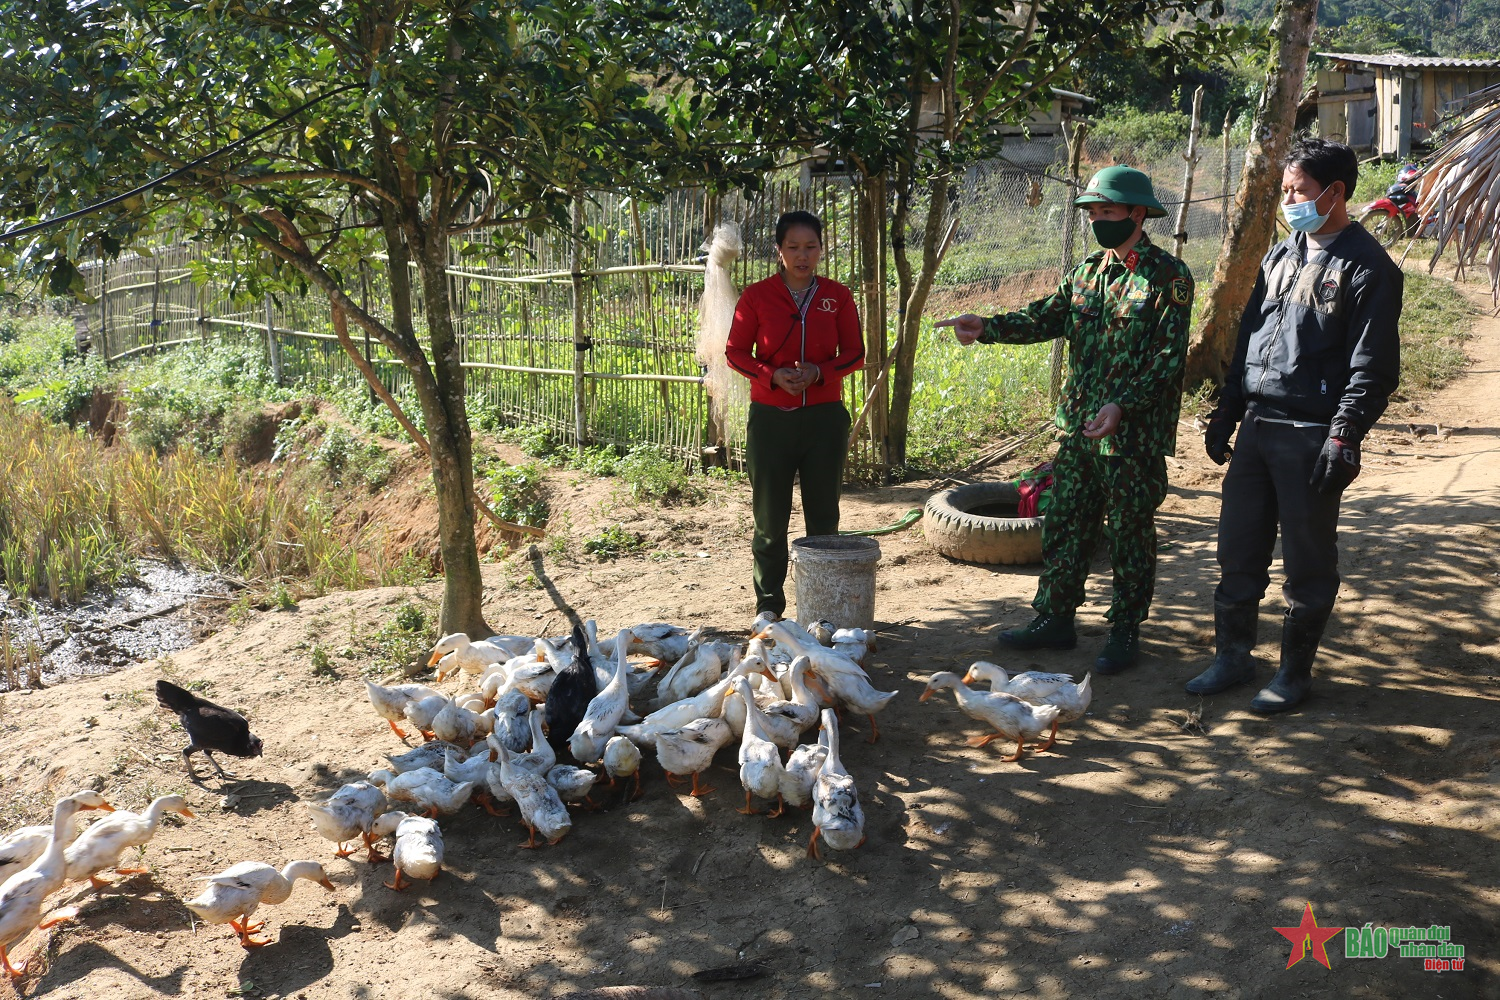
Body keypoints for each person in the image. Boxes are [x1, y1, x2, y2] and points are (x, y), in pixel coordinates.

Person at [937, 165, 1193, 674]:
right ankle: (1054, 620)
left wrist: (1122, 406)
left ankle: (1124, 630)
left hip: (1132, 437)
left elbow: (1167, 361)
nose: (1098, 220)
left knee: (1129, 532)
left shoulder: (1169, 278)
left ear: (1138, 214)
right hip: (1080, 430)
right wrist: (985, 327)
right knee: (1067, 525)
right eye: (1093, 213)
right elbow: (1044, 318)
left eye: (1108, 211)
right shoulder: (1085, 274)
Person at [1187, 137, 1401, 712]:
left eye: (1298, 191)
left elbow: (1372, 368)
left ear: (1335, 192)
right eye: (1286, 191)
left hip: (1310, 434)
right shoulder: (1280, 256)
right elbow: (1250, 338)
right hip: (1257, 426)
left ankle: (1292, 673)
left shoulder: (1369, 268)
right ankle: (1232, 656)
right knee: (1238, 547)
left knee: (1307, 562)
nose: (1289, 202)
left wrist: (1344, 434)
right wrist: (1229, 408)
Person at [726, 210, 865, 630]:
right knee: (770, 518)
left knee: (825, 518)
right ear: (778, 250)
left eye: (811, 247)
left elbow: (855, 353)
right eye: (793, 248)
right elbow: (735, 352)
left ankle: (821, 606)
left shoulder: (837, 297)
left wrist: (820, 372)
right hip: (770, 421)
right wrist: (772, 376)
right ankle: (768, 606)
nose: (803, 256)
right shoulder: (756, 296)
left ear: (821, 249)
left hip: (824, 420)